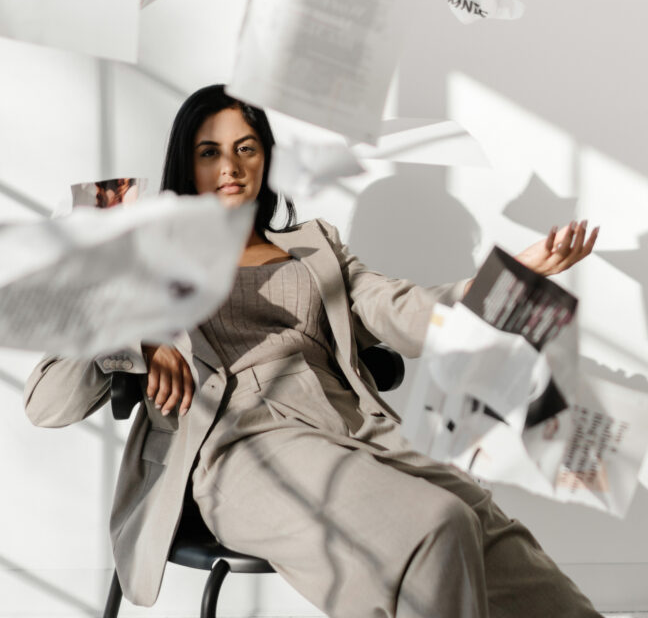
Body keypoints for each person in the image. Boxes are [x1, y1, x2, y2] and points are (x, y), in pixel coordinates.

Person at [24, 84, 601, 618]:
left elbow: (401, 309)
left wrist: (504, 279)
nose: (230, 166)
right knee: (436, 528)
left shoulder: (314, 245)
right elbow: (46, 404)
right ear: (186, 163)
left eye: (246, 148)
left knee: (507, 554)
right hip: (239, 446)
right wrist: (138, 341)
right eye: (209, 152)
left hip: (357, 429)